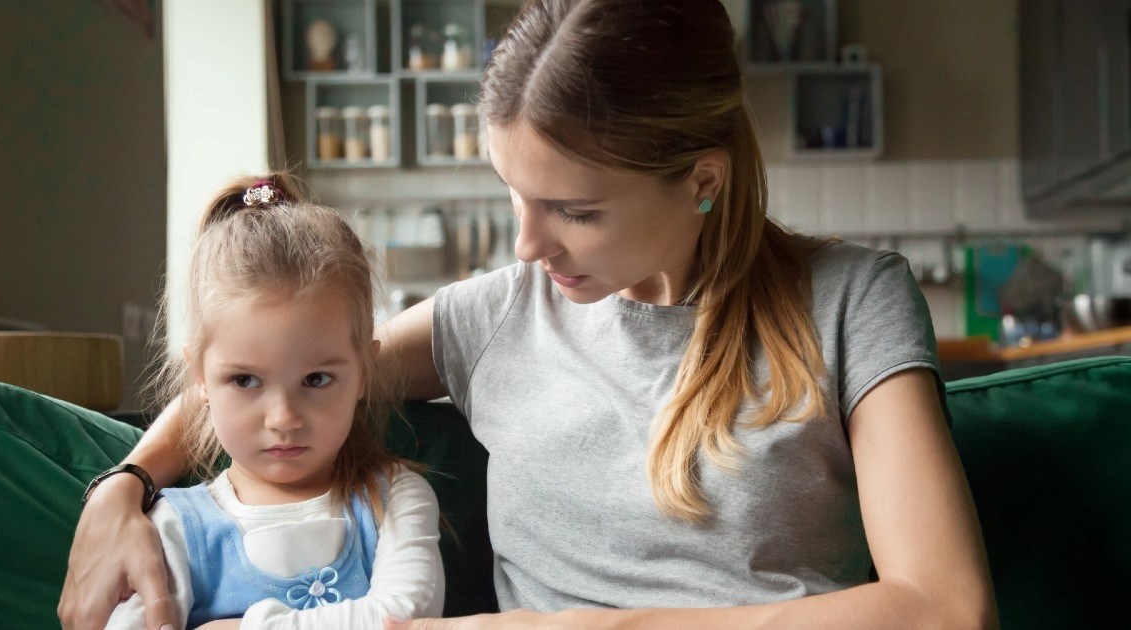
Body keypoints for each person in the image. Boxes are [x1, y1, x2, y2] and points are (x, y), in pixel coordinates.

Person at [61, 1, 998, 628]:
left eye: (576, 212)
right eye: (515, 194)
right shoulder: (497, 317)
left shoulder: (852, 301)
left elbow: (948, 607)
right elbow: (276, 372)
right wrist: (124, 486)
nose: (528, 247)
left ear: (701, 181)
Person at [98, 175, 444, 629]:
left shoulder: (395, 498)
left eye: (317, 379)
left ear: (364, 372)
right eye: (245, 380)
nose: (284, 419)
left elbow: (405, 618)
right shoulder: (176, 526)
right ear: (200, 377)